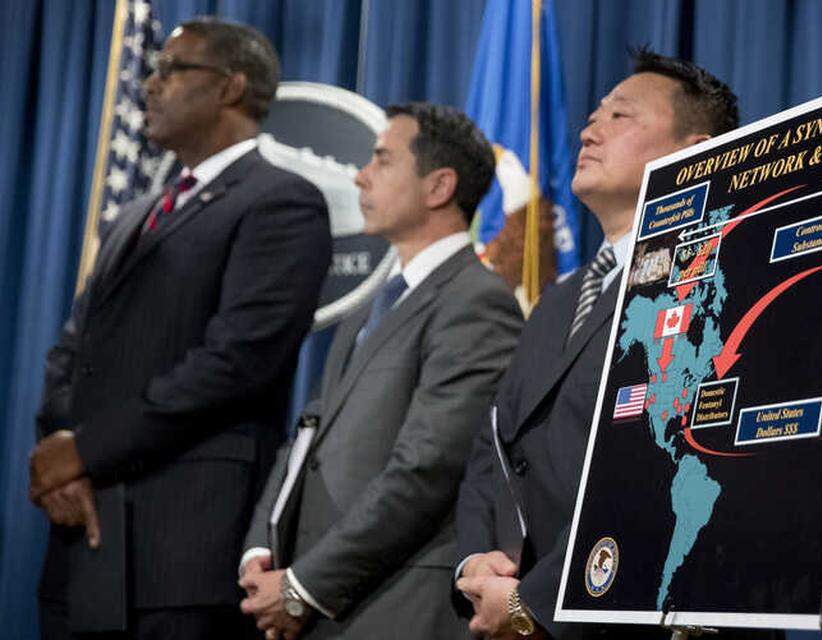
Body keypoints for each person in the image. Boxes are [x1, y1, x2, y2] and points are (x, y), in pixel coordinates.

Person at [29, 18, 331, 640]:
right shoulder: (135, 215)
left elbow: (234, 363)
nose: (150, 84)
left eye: (172, 69)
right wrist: (63, 452)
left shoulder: (280, 202)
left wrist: (84, 451)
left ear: (230, 87)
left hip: (181, 549)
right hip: (84, 536)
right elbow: (72, 350)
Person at [454, 50, 739, 639]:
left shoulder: (721, 279)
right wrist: (477, 564)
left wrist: (534, 601)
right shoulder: (558, 300)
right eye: (592, 116)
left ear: (691, 150)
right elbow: (493, 447)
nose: (589, 130)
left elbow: (674, 464)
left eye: (620, 116)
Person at [237, 103, 523, 640]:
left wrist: (304, 585)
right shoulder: (380, 303)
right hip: (325, 599)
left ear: (439, 186)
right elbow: (310, 434)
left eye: (382, 161)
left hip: (395, 606)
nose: (360, 175)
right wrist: (264, 546)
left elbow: (424, 469)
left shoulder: (475, 302)